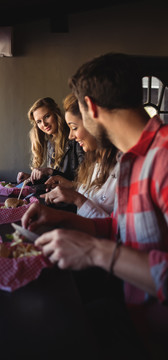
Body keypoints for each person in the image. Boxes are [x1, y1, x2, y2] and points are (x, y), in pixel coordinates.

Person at [21, 53, 168, 359]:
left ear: (90, 107)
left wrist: (94, 251)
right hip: (131, 313)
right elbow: (122, 229)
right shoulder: (133, 157)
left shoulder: (163, 158)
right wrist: (62, 217)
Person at [41, 93, 119, 218]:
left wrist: (76, 199)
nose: (71, 136)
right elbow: (91, 193)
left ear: (94, 123)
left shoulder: (123, 167)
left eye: (74, 128)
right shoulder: (93, 160)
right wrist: (73, 186)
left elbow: (119, 230)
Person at [16, 97, 84, 184]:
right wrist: (31, 178)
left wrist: (49, 171)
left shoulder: (76, 139)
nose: (44, 124)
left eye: (47, 116)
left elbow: (83, 181)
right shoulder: (50, 144)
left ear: (56, 113)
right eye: (39, 121)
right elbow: (53, 180)